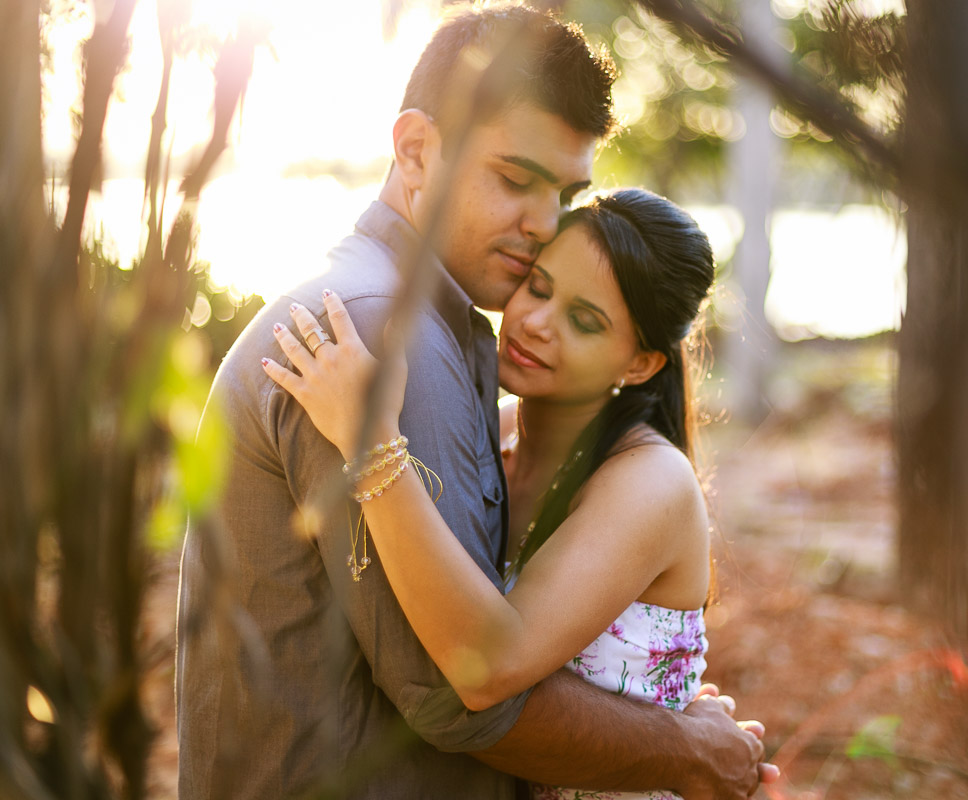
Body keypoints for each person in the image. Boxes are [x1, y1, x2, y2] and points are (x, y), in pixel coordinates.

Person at [176, 4, 770, 799]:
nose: (542, 223)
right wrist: (685, 747)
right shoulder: (384, 335)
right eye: (514, 180)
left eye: (563, 192)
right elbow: (460, 692)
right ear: (416, 150)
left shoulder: (411, 324)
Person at [264, 188, 735, 800]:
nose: (535, 323)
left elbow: (489, 668)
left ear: (640, 365)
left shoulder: (651, 480)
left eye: (584, 321)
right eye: (538, 287)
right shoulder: (496, 429)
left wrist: (370, 442)